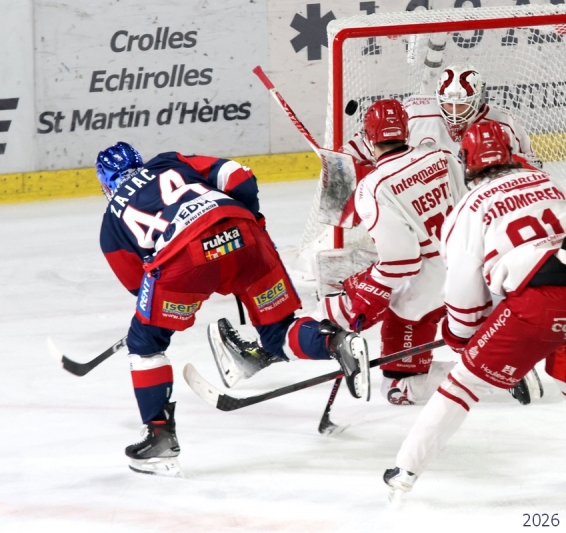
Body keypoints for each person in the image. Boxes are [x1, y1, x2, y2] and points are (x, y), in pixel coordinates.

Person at [383, 120, 566, 498]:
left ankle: (405, 471)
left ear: (467, 161)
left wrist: (462, 335)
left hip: (539, 304)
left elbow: (464, 288)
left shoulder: (469, 207)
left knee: (464, 382)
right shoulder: (551, 182)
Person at [96, 142, 369, 476]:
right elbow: (239, 176)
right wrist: (251, 220)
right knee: (278, 333)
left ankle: (159, 437)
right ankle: (337, 343)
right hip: (245, 235)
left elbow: (141, 289)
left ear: (105, 183)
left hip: (185, 262)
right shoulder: (168, 161)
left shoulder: (111, 225)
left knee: (145, 343)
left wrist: (154, 319)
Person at [317, 99, 537, 406]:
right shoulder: (442, 156)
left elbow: (401, 261)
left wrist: (368, 285)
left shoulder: (373, 187)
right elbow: (471, 210)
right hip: (471, 275)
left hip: (424, 295)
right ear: (406, 129)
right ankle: (501, 366)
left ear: (369, 139)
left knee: (398, 386)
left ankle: (493, 376)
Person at [343, 64, 542, 169]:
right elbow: (369, 142)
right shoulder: (415, 111)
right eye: (448, 105)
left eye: (462, 106)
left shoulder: (504, 123)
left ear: (478, 100)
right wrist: (344, 159)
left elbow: (535, 165)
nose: (454, 113)